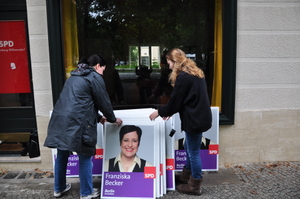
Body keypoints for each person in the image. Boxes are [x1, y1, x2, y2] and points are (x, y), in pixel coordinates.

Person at [44, 54, 123, 199]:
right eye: (103, 70)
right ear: (98, 66)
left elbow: (79, 101)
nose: (102, 74)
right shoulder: (94, 77)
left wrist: (98, 117)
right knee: (85, 157)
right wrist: (112, 118)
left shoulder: (73, 77)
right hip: (78, 123)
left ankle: (58, 188)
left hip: (60, 121)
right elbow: (103, 101)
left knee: (61, 156)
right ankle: (86, 192)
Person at [149, 48, 212, 196]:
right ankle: (186, 177)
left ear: (175, 61)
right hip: (199, 116)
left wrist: (159, 112)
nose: (168, 65)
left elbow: (177, 99)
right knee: (188, 146)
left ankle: (195, 184)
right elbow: (185, 99)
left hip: (194, 118)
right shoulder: (196, 72)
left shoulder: (184, 77)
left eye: (169, 62)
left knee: (194, 152)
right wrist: (169, 111)